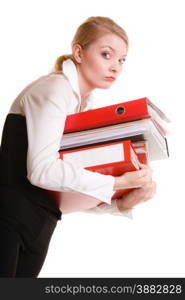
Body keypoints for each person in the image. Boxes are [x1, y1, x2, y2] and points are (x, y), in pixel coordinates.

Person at [0, 16, 156, 278]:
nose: (116, 67)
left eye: (121, 60)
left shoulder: (83, 104)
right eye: (106, 54)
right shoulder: (55, 89)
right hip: (9, 220)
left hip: (41, 225)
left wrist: (121, 202)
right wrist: (116, 184)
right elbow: (41, 171)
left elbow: (59, 193)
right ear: (78, 53)